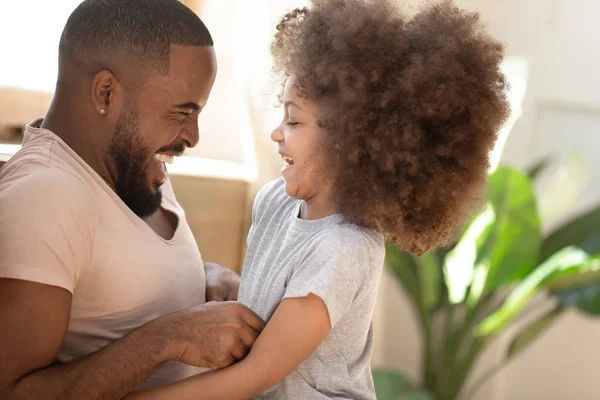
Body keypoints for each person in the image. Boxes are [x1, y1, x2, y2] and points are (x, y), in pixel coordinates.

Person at [124, 0, 510, 399]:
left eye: (293, 120)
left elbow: (256, 375)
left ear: (350, 141)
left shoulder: (344, 249)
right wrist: (228, 284)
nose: (277, 133)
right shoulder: (276, 199)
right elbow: (278, 313)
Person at [0, 1, 265, 399]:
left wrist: (201, 276)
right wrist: (166, 340)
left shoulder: (130, 162)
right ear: (105, 92)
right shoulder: (47, 195)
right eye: (182, 112)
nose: (193, 136)